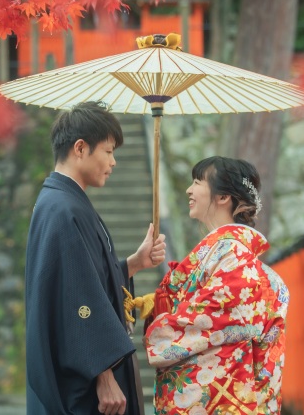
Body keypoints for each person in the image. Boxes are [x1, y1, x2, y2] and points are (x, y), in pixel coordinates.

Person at [25, 101, 167, 415]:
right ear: (80, 148)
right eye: (108, 151)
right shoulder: (62, 208)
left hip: (88, 372)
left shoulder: (65, 201)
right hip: (86, 382)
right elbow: (75, 298)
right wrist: (103, 374)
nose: (113, 161)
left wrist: (134, 264)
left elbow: (87, 278)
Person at [143, 156, 289, 414]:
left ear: (223, 197)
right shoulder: (231, 254)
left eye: (197, 182)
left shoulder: (232, 255)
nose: (189, 190)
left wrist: (161, 324)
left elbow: (211, 317)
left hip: (221, 398)